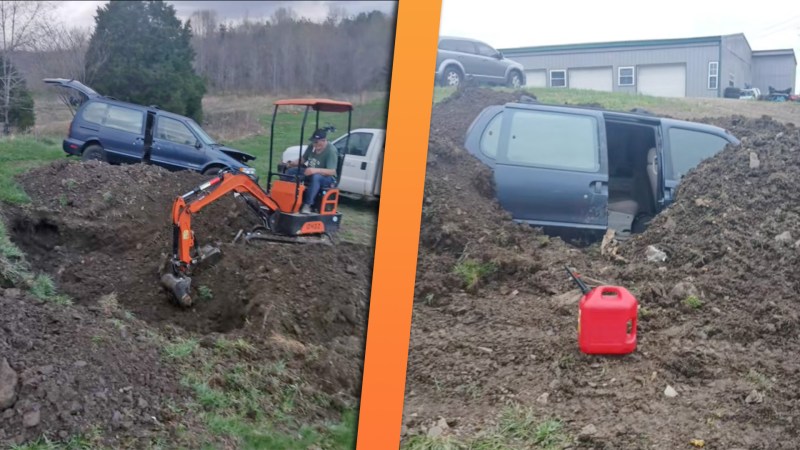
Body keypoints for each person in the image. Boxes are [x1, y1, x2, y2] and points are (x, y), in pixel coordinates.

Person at [284, 128, 338, 214]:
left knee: (316, 177)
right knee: (291, 171)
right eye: (313, 142)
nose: (314, 144)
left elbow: (332, 171)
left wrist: (314, 170)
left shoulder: (331, 151)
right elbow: (303, 160)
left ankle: (307, 205)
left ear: (324, 140)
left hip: (327, 178)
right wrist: (291, 164)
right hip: (310, 172)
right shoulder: (312, 146)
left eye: (317, 142)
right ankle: (286, 197)